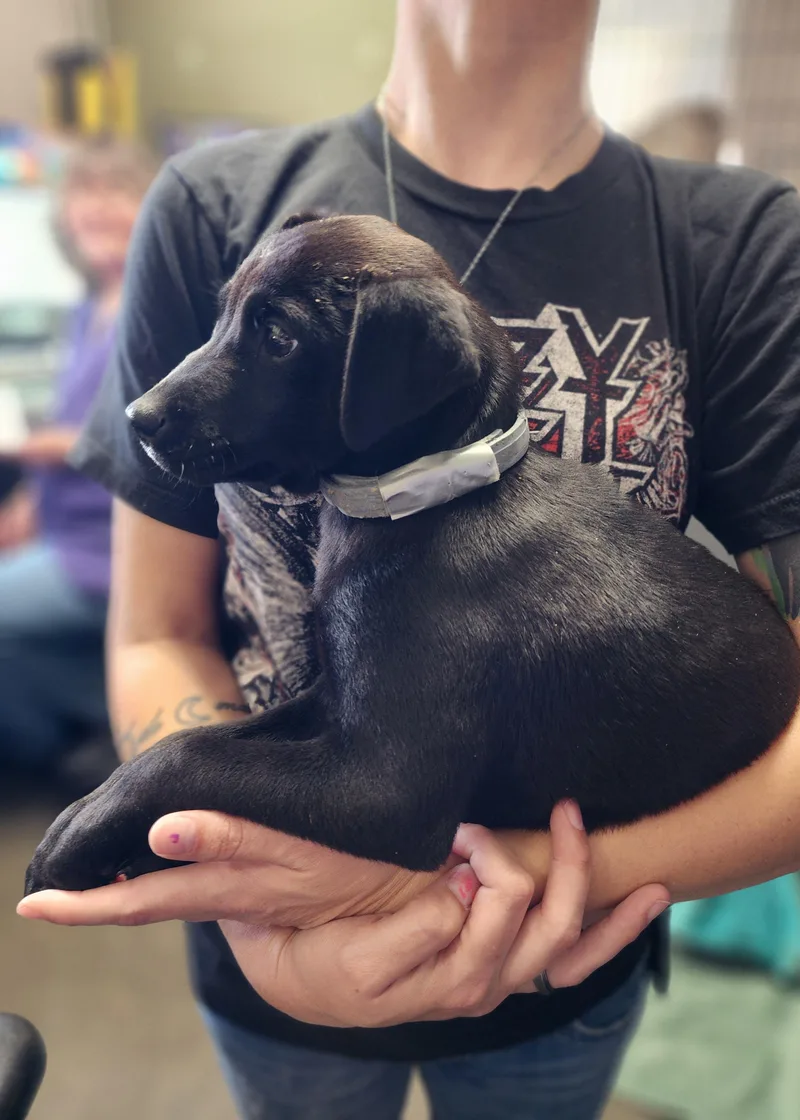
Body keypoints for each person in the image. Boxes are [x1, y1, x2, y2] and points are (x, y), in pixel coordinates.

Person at [18, 0, 800, 1116]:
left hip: (560, 971)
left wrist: (528, 877)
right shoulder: (208, 203)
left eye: (272, 339)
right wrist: (252, 894)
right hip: (266, 966)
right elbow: (159, 628)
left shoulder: (746, 244)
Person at [0, 137, 156, 772]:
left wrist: (46, 448)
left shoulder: (156, 311)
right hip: (66, 532)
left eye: (115, 192)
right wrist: (26, 505)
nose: (95, 209)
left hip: (109, 549)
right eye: (83, 194)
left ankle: (107, 709)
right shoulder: (87, 308)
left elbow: (150, 438)